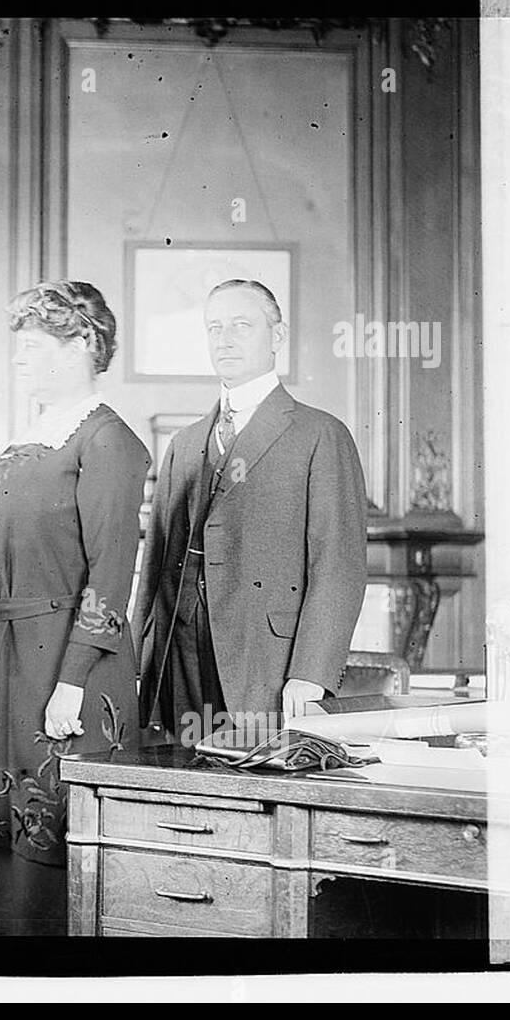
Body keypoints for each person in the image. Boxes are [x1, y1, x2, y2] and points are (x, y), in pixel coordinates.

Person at [0, 281, 150, 935]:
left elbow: (112, 579)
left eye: (34, 346)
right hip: (1, 659)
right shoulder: (30, 444)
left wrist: (72, 682)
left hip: (62, 666)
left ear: (83, 344)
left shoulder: (109, 443)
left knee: (46, 857)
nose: (19, 360)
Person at [133, 279, 368, 747]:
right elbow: (157, 568)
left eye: (242, 325)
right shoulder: (185, 444)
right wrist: (140, 662)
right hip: (178, 663)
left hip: (269, 667)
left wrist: (311, 672)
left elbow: (338, 566)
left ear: (277, 337)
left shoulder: (319, 435)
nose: (225, 339)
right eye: (214, 328)